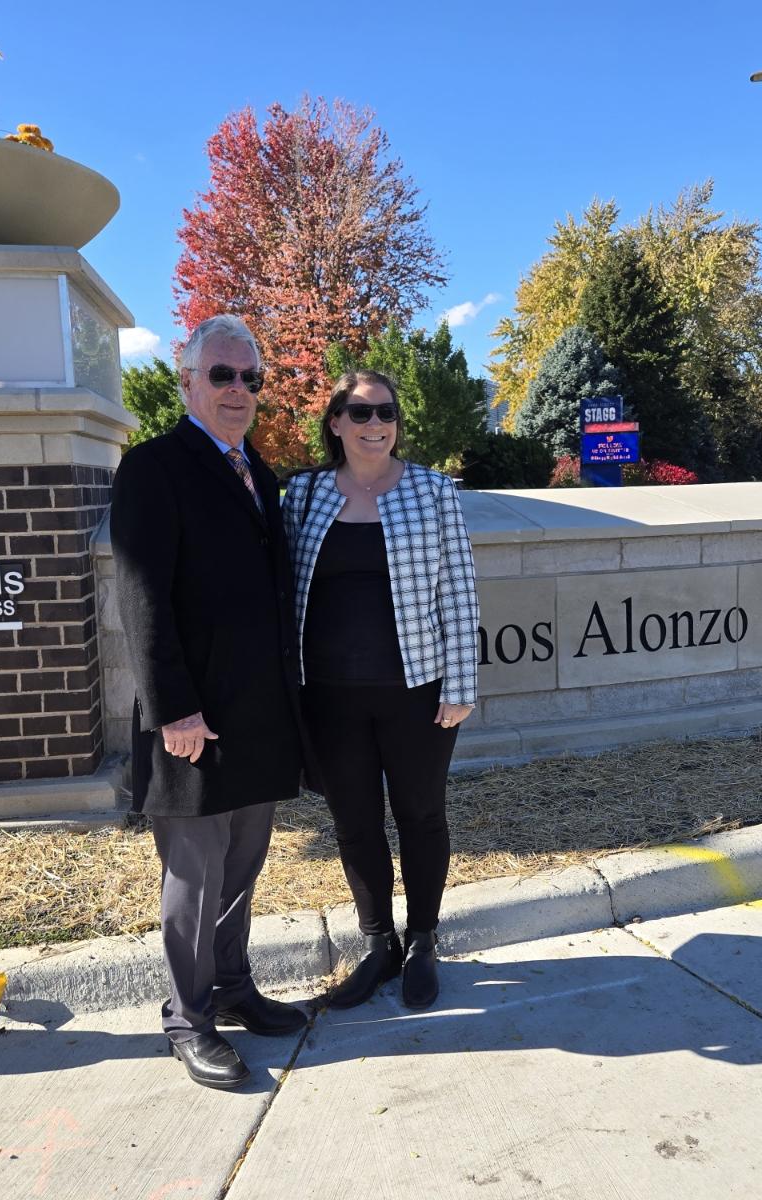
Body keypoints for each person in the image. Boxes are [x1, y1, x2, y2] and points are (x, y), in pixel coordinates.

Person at [109, 315, 309, 1090]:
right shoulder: (155, 468)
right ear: (188, 379)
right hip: (193, 721)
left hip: (258, 717)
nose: (237, 390)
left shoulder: (261, 474)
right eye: (221, 375)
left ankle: (231, 986)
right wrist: (173, 711)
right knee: (193, 882)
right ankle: (188, 1020)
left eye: (250, 378)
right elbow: (142, 596)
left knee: (242, 867)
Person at [282, 370, 480, 1011]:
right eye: (359, 413)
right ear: (335, 421)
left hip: (416, 691)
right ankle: (378, 946)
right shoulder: (305, 495)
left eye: (385, 413)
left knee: (421, 816)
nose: (375, 426)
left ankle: (422, 940)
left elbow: (459, 590)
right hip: (329, 695)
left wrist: (461, 684)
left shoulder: (432, 491)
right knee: (354, 822)